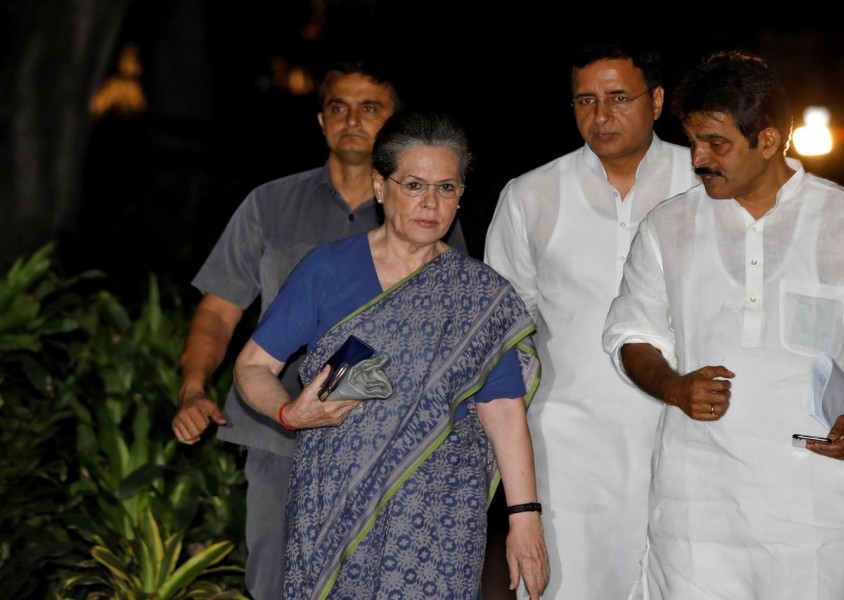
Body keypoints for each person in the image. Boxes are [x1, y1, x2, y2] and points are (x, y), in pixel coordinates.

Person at [602, 50, 844, 599]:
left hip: (818, 509)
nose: (698, 159)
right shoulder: (667, 228)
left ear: (768, 141)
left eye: (717, 143)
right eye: (692, 141)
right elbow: (632, 335)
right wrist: (673, 385)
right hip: (698, 511)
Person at [170, 60, 466, 599]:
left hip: (387, 437)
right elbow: (218, 310)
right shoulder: (269, 204)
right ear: (321, 119)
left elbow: (451, 326)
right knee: (277, 580)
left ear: (396, 123)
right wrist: (193, 388)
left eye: (370, 107)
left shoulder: (424, 208)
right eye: (338, 106)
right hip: (279, 429)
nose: (352, 119)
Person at [232, 112, 550, 599]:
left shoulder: (479, 295)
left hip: (439, 515)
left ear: (461, 194)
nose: (430, 203)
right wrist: (287, 411)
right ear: (381, 187)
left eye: (446, 188)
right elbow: (253, 365)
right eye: (414, 185)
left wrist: (524, 519)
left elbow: (503, 410)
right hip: (333, 500)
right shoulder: (327, 270)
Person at [483, 34, 697, 598]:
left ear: (655, 101)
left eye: (619, 98)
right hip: (567, 444)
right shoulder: (531, 195)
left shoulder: (704, 182)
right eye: (585, 101)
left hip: (689, 435)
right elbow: (503, 334)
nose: (600, 116)